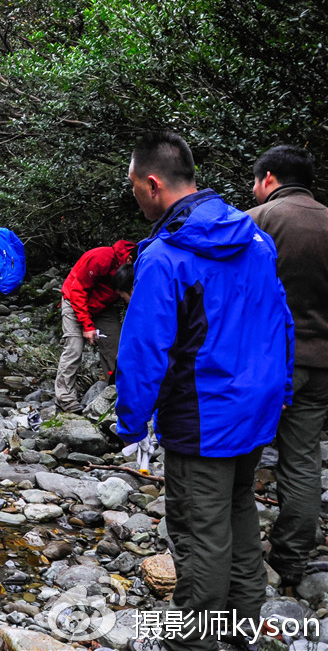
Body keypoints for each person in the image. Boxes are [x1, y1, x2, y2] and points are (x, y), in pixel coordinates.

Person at [117, 132, 293, 651]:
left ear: (152, 184)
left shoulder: (167, 255)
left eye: (134, 186)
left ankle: (191, 641)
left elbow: (144, 350)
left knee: (199, 531)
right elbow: (280, 321)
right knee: (239, 512)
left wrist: (130, 422)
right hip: (254, 406)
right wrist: (280, 390)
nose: (134, 195)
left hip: (203, 413)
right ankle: (242, 628)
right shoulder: (255, 238)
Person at [245, 145, 328, 593]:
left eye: (255, 182)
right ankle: (291, 559)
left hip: (266, 362)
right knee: (303, 461)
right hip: (321, 363)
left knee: (241, 453)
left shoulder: (257, 222)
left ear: (269, 179)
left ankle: (237, 554)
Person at [53, 240, 135, 413]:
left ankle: (118, 393)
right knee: (74, 349)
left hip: (103, 307)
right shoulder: (101, 257)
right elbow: (77, 290)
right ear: (128, 257)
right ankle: (65, 399)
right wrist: (87, 326)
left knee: (115, 346)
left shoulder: (135, 266)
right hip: (74, 302)